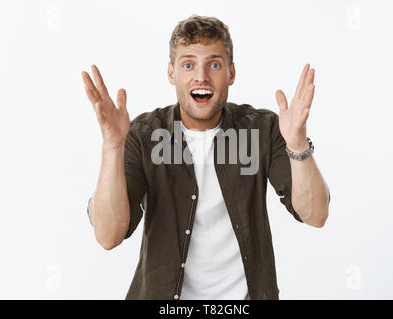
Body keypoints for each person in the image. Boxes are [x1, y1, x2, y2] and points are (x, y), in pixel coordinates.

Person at [81, 15, 330, 300]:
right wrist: (112, 147)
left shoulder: (264, 129)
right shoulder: (143, 134)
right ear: (172, 73)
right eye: (188, 64)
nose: (201, 77)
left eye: (214, 64)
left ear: (231, 73)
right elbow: (108, 236)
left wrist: (297, 143)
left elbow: (316, 215)